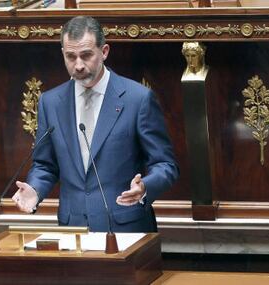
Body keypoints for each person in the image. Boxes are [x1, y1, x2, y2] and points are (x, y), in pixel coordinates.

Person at [12, 16, 179, 232]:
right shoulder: (51, 102)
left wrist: (146, 186)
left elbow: (166, 165)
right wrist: (35, 189)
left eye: (86, 55)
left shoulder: (137, 99)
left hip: (126, 228)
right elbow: (45, 164)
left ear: (104, 52)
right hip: (73, 230)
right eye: (71, 57)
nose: (78, 65)